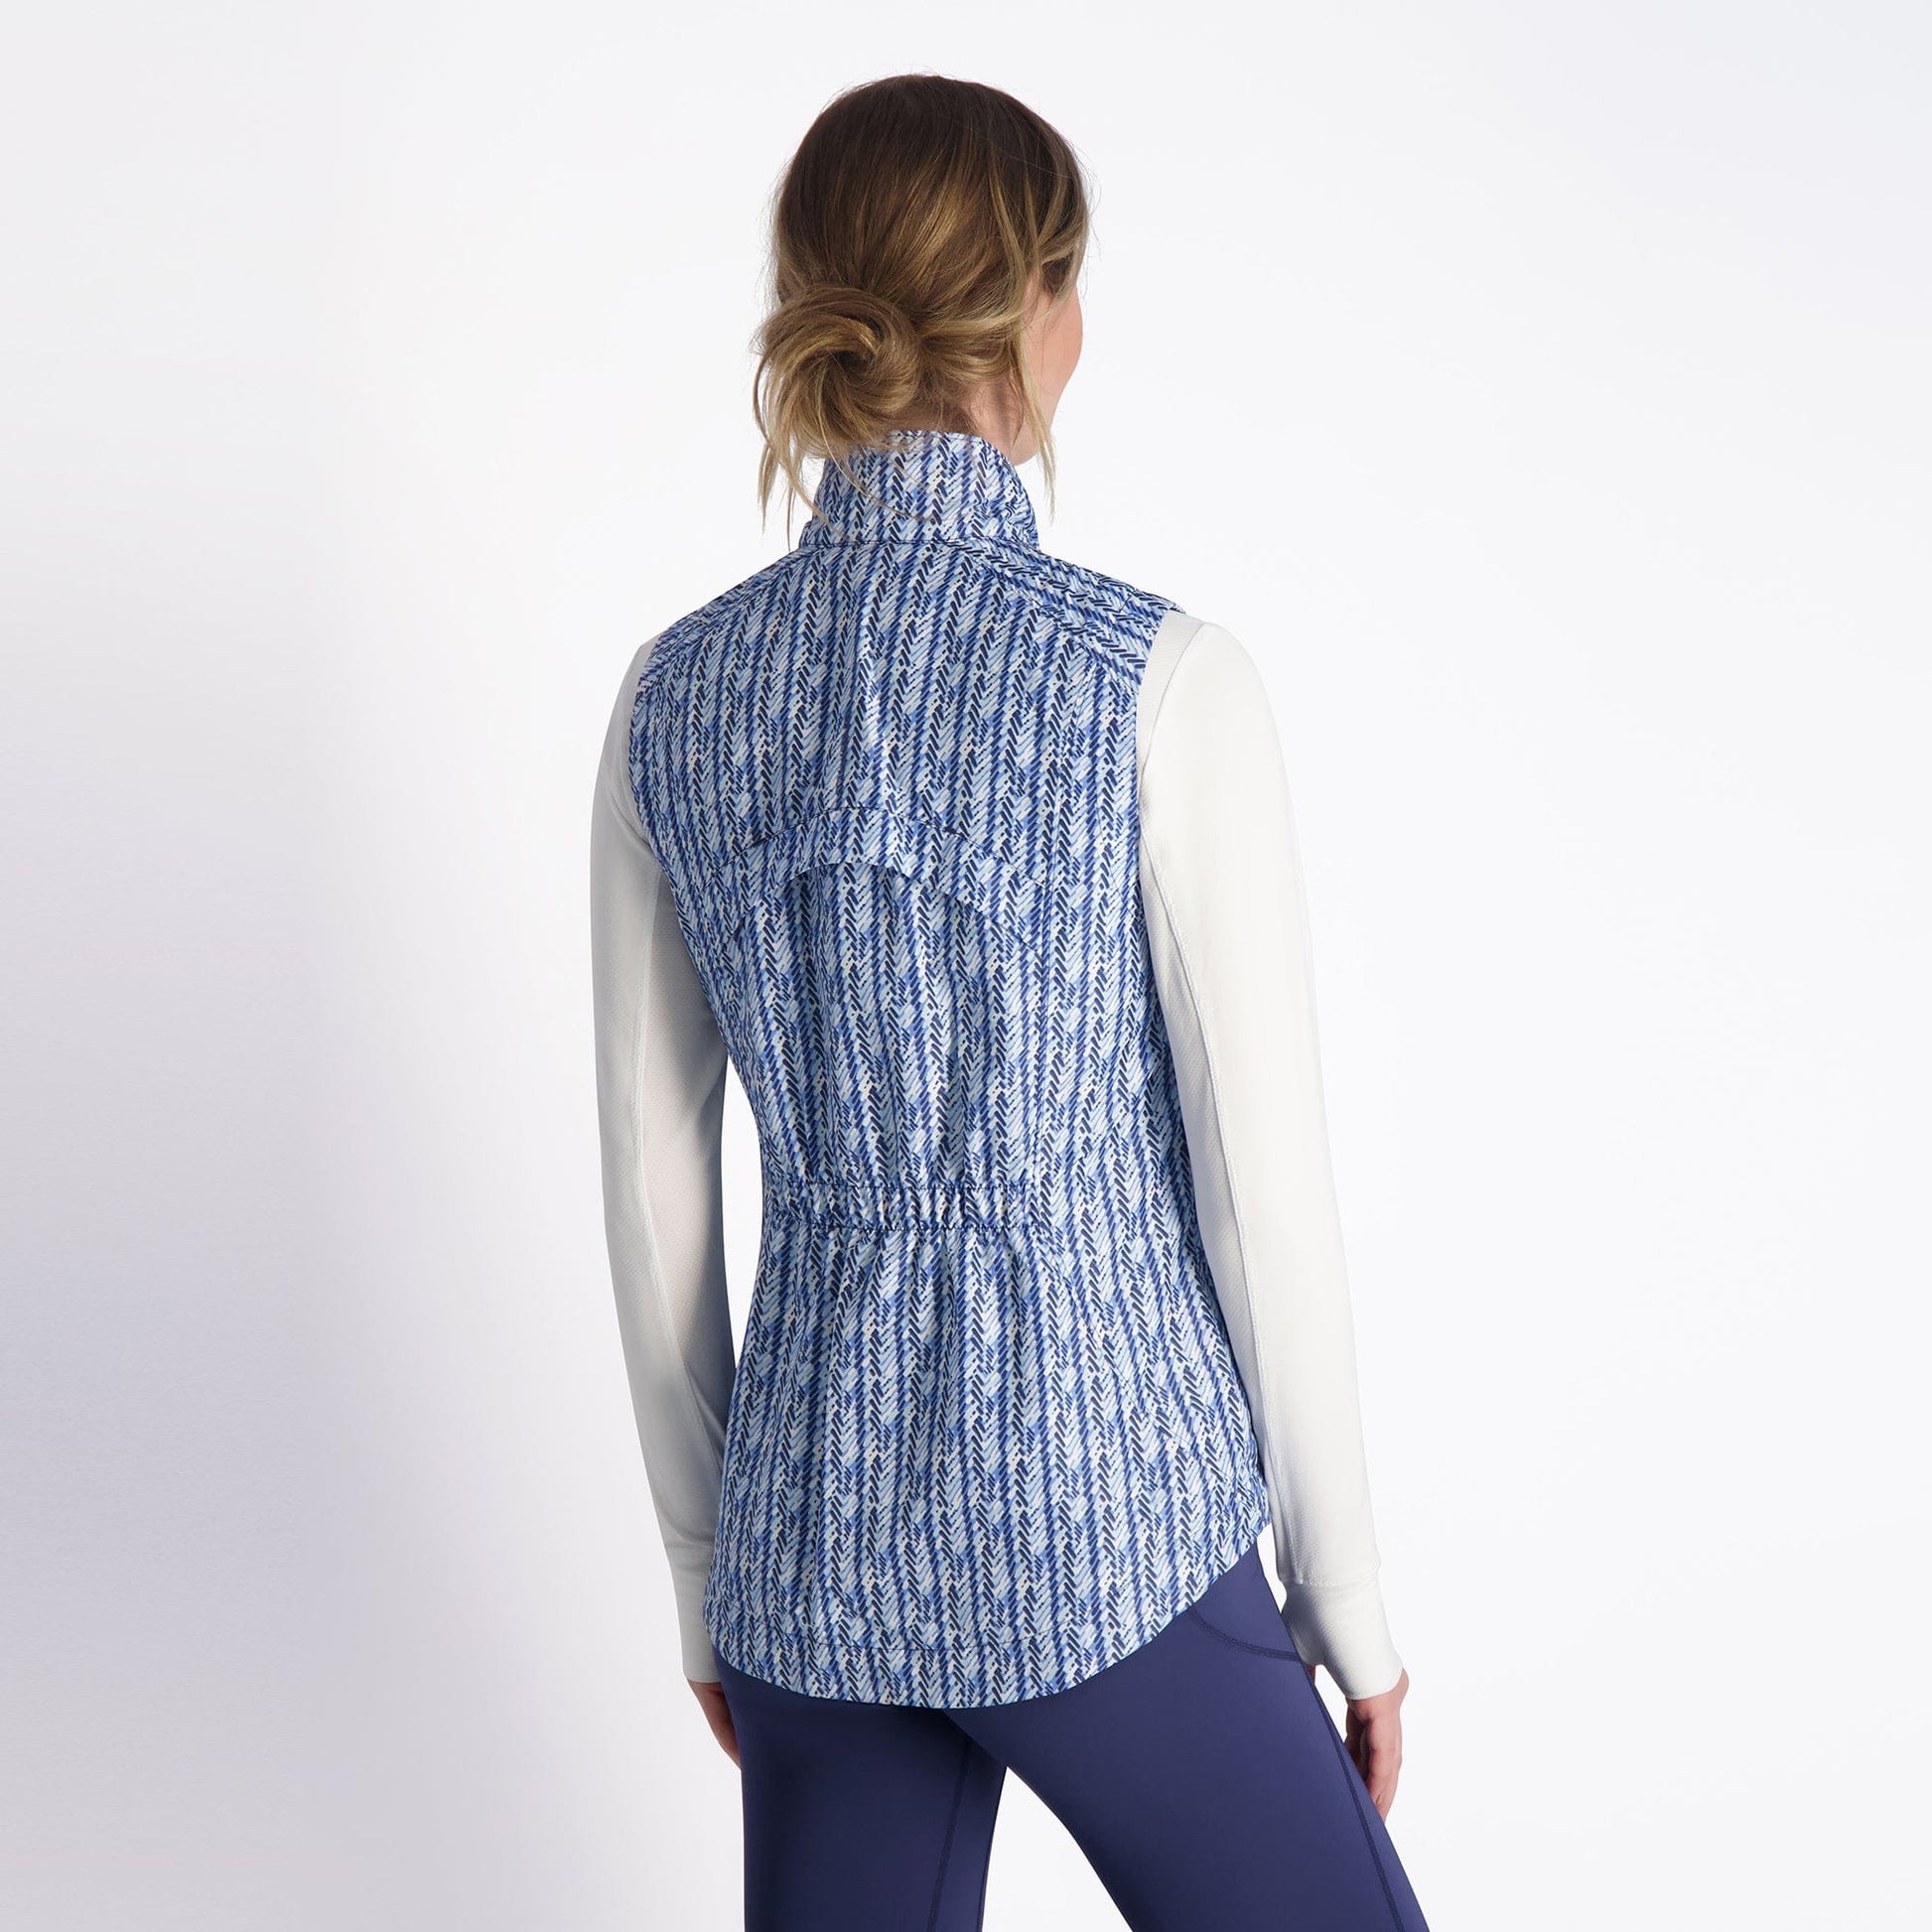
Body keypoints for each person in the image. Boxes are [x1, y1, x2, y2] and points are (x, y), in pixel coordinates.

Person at [589, 72, 1433, 1932]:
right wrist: (1347, 1601)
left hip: (807, 1548)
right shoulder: (1156, 680)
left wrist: (711, 1575)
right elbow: (1263, 1199)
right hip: (1105, 1527)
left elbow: (654, 1199)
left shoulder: (675, 695)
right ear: (1039, 313)